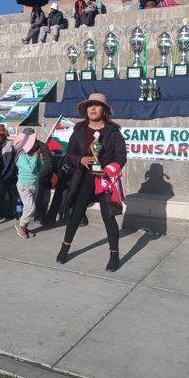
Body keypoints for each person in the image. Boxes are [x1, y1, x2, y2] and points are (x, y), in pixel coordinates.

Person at [56, 93, 127, 272]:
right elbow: (69, 154)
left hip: (104, 180)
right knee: (76, 214)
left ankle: (114, 255)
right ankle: (65, 247)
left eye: (97, 105)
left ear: (105, 110)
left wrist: (108, 170)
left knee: (108, 217)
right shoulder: (79, 130)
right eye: (90, 105)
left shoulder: (113, 132)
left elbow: (121, 157)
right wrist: (80, 159)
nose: (93, 108)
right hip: (84, 178)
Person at [13, 129, 42, 238]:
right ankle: (21, 225)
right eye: (34, 142)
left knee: (28, 208)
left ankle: (24, 227)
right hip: (24, 184)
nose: (36, 143)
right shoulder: (21, 156)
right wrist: (35, 157)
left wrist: (40, 160)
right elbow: (30, 168)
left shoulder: (32, 155)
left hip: (34, 183)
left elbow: (38, 169)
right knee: (31, 207)